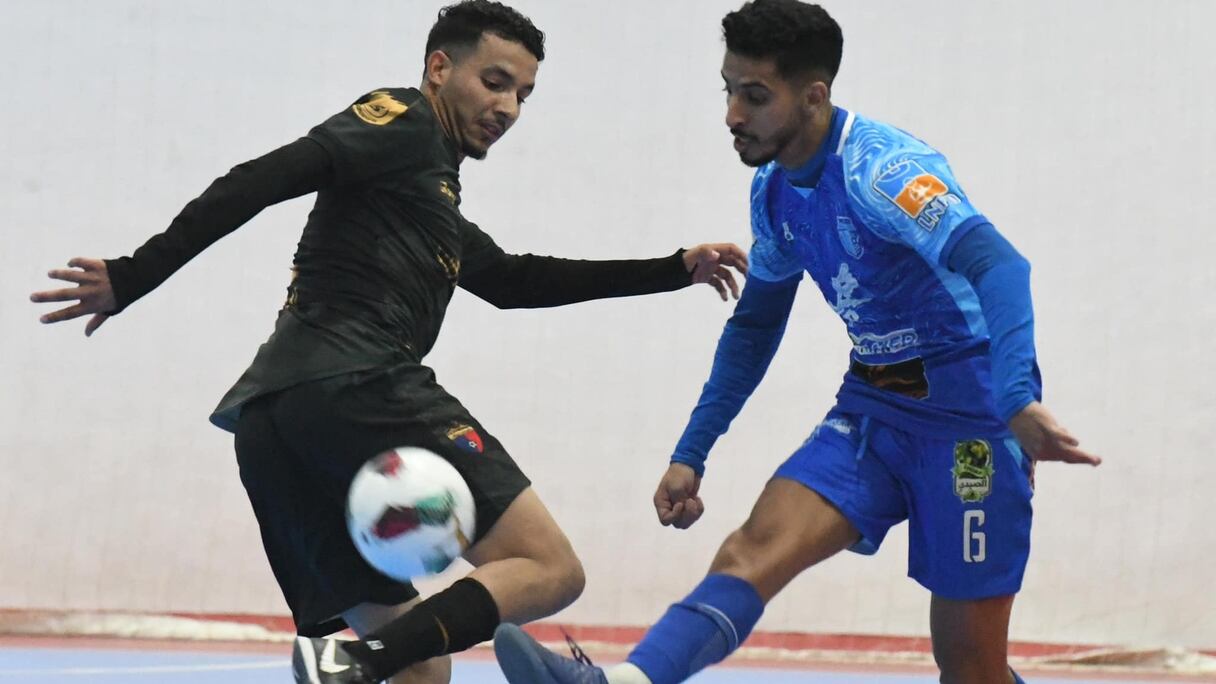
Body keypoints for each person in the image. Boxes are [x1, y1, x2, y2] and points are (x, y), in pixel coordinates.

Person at [29, 2, 748, 683]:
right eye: (494, 81)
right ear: (439, 68)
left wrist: (671, 270)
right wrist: (135, 273)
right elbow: (260, 179)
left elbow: (513, 280)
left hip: (272, 426)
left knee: (422, 667)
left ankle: (361, 662)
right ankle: (355, 664)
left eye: (523, 95)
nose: (507, 108)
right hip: (356, 387)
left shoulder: (424, 195)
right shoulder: (402, 122)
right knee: (549, 568)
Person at [491, 1, 1102, 683]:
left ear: (813, 97)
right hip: (874, 408)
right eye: (728, 90)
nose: (732, 115)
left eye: (755, 96)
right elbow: (755, 327)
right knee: (751, 551)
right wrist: (692, 450)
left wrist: (1016, 399)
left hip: (973, 421)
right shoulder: (773, 192)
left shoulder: (885, 172)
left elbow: (1001, 265)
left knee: (968, 665)